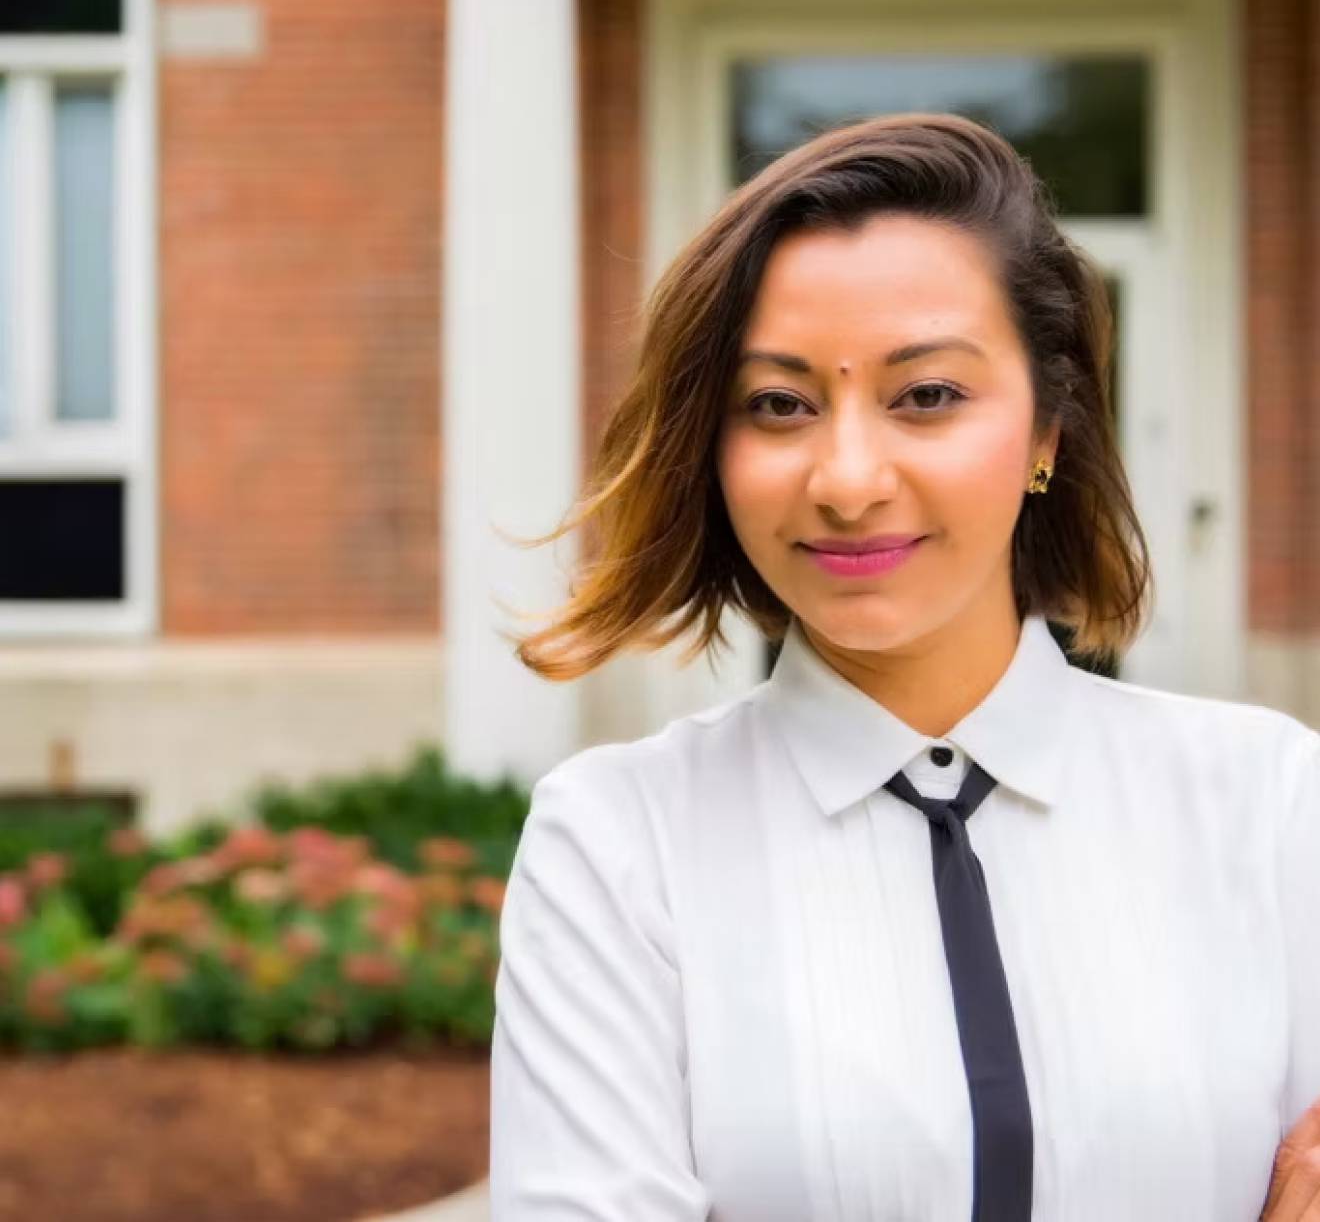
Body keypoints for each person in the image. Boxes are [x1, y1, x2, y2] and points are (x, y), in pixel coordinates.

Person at [486, 113, 1320, 1220]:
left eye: (927, 395)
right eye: (778, 405)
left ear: (1046, 434)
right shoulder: (618, 843)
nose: (846, 478)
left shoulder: (1267, 802)